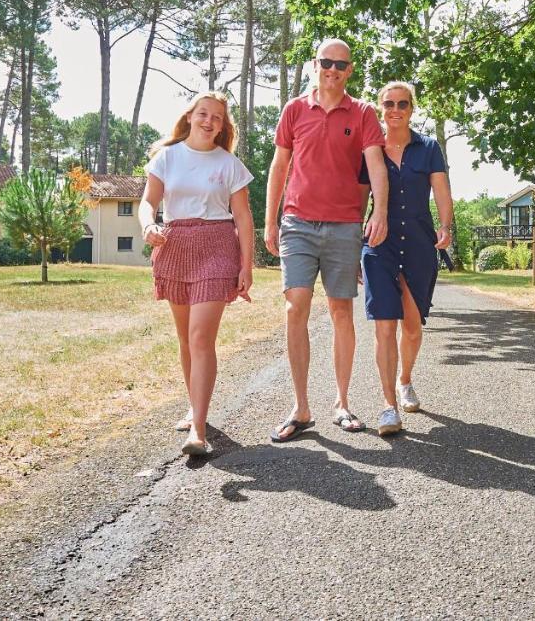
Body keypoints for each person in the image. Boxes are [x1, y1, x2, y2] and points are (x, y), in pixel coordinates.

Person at [264, 39, 389, 442]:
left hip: (344, 226)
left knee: (340, 312)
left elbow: (376, 166)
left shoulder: (364, 112)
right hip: (297, 223)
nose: (332, 69)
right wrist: (270, 222)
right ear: (314, 64)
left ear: (350, 69)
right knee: (295, 305)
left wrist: (379, 213)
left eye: (341, 64)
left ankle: (342, 402)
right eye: (326, 62)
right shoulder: (295, 109)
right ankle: (301, 407)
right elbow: (279, 166)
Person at [140, 91, 255, 456]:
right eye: (203, 114)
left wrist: (246, 265)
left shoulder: (230, 165)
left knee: (201, 336)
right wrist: (148, 225)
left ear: (223, 126)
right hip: (175, 246)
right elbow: (148, 202)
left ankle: (199, 431)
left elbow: (243, 219)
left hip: (218, 246)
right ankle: (194, 406)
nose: (209, 121)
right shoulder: (166, 158)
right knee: (186, 340)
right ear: (190, 117)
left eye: (217, 118)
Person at [358, 81, 454, 435]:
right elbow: (358, 200)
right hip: (378, 243)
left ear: (412, 108)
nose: (395, 110)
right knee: (384, 325)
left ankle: (405, 379)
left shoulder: (428, 147)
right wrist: (356, 245)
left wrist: (445, 227)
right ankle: (387, 406)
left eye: (402, 104)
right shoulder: (369, 149)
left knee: (411, 325)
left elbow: (442, 191)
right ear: (380, 108)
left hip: (418, 242)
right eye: (388, 104)